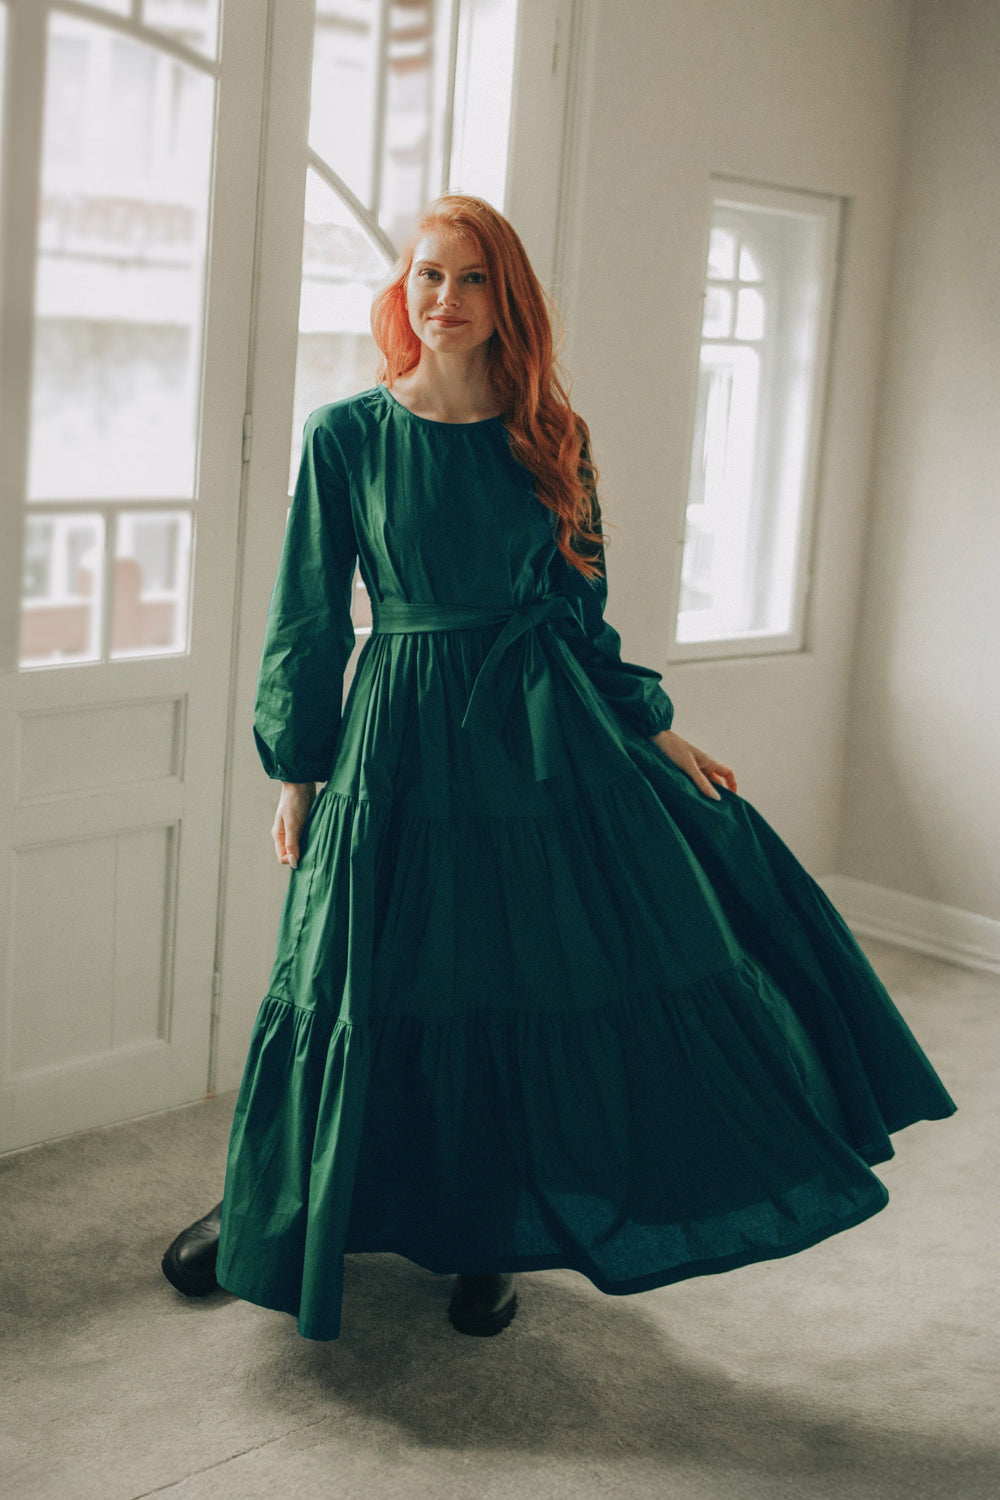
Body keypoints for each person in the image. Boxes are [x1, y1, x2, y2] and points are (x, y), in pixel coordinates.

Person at [161, 195, 956, 1340]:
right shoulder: (345, 435)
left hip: (536, 745)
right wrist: (300, 767)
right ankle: (268, 1205)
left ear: (507, 300)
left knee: (515, 982)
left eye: (472, 279)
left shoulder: (553, 438)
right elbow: (307, 617)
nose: (445, 299)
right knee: (350, 977)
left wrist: (656, 730)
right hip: (396, 740)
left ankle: (490, 1230)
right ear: (403, 290)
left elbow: (581, 618)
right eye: (427, 276)